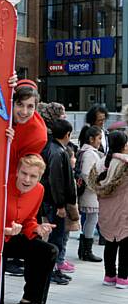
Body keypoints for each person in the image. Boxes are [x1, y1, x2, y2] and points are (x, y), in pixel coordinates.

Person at [2, 154, 57, 304]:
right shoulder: (2, 184)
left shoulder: (39, 190)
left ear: (39, 177)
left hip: (13, 239)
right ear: (17, 171)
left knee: (47, 251)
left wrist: (37, 228)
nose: (27, 179)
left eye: (33, 176)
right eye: (24, 173)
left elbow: (29, 220)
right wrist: (5, 230)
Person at [6, 80, 47, 277]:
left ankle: (31, 302)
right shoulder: (1, 115)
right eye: (20, 104)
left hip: (9, 185)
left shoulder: (38, 135)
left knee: (46, 251)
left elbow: (22, 168)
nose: (24, 111)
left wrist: (35, 229)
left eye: (30, 106)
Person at [89, 131, 128, 289]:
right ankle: (123, 278)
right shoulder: (125, 163)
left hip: (105, 210)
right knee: (125, 244)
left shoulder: (101, 163)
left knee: (110, 244)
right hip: (124, 209)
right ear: (124, 145)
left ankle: (109, 275)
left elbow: (92, 183)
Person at [41, 119, 77, 285]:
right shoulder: (57, 152)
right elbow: (56, 181)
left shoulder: (53, 148)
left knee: (57, 236)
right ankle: (53, 270)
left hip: (51, 201)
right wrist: (61, 205)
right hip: (54, 203)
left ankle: (55, 269)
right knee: (56, 237)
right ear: (67, 134)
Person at [76, 126, 104, 262]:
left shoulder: (85, 151)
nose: (100, 141)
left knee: (90, 220)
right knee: (91, 220)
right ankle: (87, 251)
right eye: (99, 138)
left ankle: (85, 250)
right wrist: (96, 188)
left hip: (88, 191)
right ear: (91, 139)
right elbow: (86, 173)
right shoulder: (89, 153)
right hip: (90, 193)